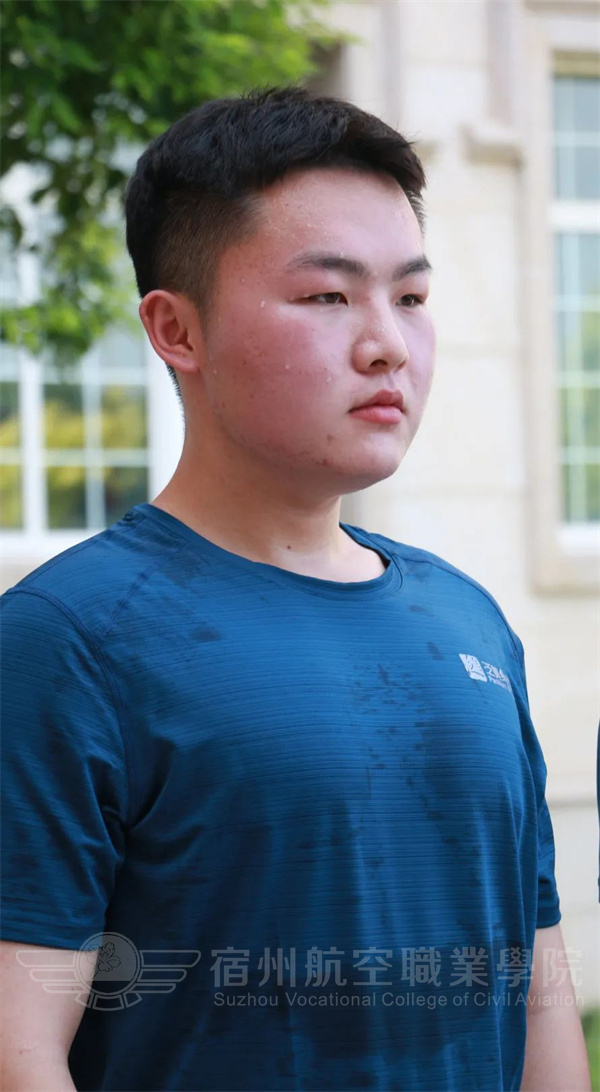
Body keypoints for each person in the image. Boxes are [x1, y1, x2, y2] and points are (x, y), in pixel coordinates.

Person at [0, 86, 590, 1092]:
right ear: (176, 330)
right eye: (328, 297)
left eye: (411, 299)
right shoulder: (65, 640)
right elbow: (18, 1048)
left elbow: (536, 987)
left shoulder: (469, 620)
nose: (387, 343)